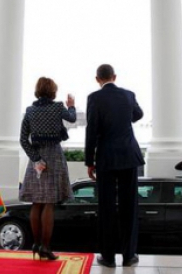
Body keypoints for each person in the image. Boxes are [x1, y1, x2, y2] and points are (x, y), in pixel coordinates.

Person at [84, 64, 145, 267]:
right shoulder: (129, 95)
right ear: (114, 76)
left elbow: (91, 131)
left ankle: (108, 257)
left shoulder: (94, 98)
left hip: (106, 158)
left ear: (97, 79)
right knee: (129, 207)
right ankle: (129, 255)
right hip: (129, 155)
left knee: (106, 207)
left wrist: (89, 162)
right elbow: (138, 114)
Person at [19, 77, 76, 260]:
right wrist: (71, 105)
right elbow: (73, 118)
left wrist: (36, 159)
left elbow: (22, 140)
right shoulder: (58, 107)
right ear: (53, 91)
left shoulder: (30, 111)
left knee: (37, 203)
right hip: (54, 157)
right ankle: (45, 246)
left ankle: (35, 244)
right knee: (49, 203)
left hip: (36, 159)